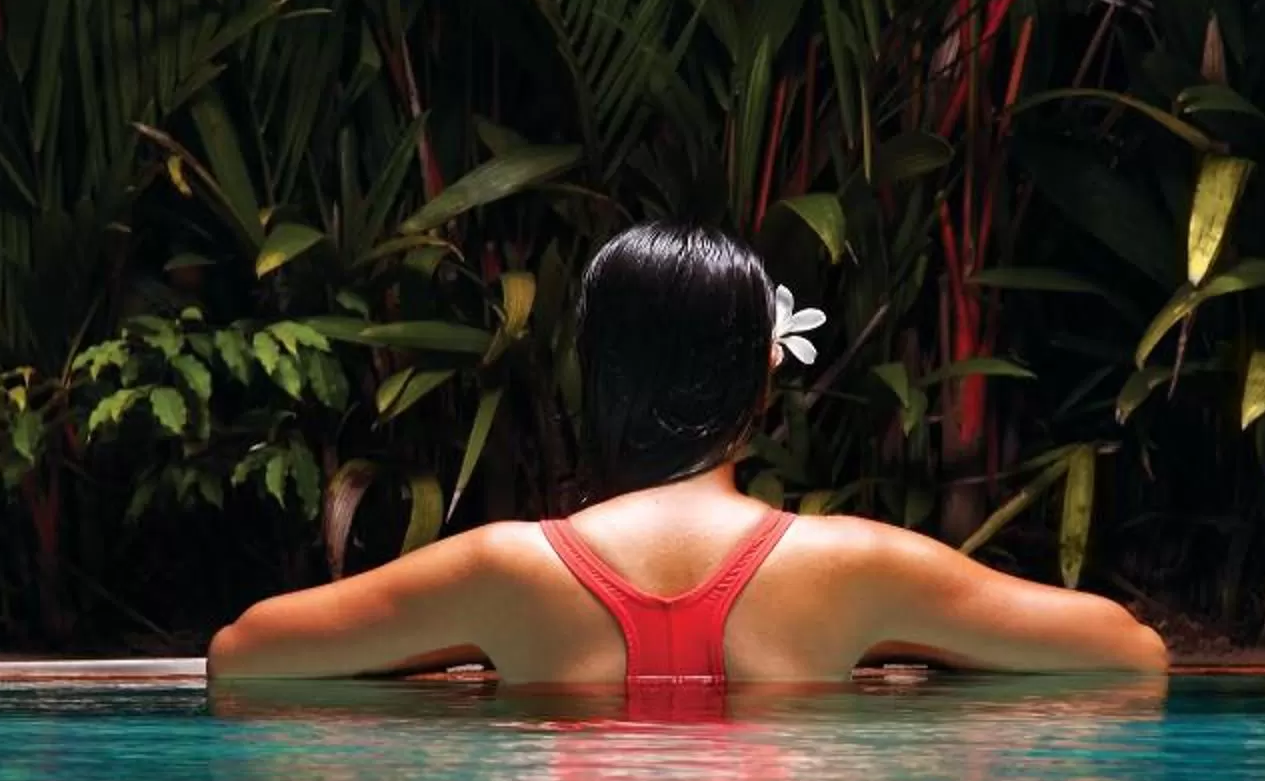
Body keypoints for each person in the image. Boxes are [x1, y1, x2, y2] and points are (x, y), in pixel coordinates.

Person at [206, 223, 1168, 687]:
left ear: (598, 374)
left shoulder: (503, 572)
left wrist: (431, 669)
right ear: (764, 375)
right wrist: (924, 661)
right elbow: (1131, 655)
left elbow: (241, 659)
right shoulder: (857, 569)